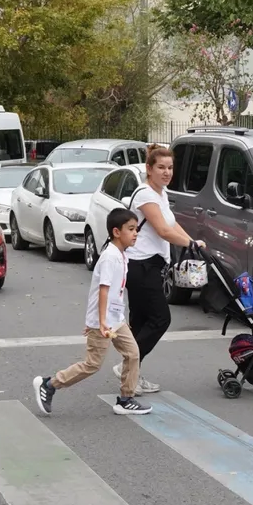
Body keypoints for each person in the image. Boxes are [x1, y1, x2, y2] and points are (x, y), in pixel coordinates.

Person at [34, 208, 152, 416]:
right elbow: (103, 290)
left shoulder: (121, 255)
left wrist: (120, 318)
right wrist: (101, 321)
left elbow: (116, 291)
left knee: (133, 354)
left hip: (116, 319)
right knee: (92, 364)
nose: (136, 233)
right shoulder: (110, 257)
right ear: (117, 232)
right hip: (104, 321)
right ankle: (50, 384)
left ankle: (126, 399)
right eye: (131, 229)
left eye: (136, 229)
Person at [116, 145, 205, 394]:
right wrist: (189, 243)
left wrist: (193, 242)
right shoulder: (145, 195)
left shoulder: (161, 194)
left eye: (170, 167)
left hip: (151, 265)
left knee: (140, 321)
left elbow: (172, 225)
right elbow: (163, 231)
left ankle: (132, 375)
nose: (167, 172)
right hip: (139, 265)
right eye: (161, 168)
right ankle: (127, 365)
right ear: (149, 169)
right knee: (160, 319)